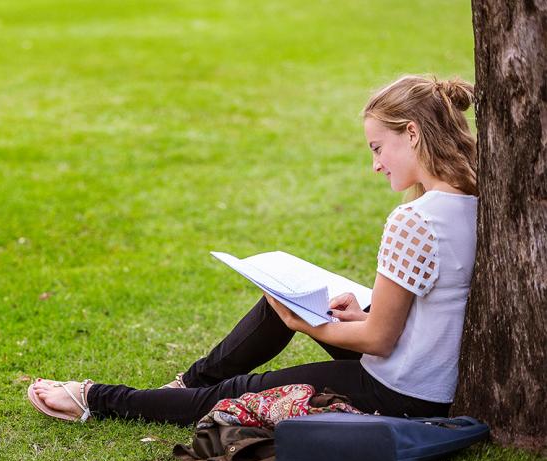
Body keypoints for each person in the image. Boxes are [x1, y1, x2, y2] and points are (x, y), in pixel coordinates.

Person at [29, 75, 479, 426]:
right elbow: (428, 311)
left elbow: (378, 340)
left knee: (246, 387)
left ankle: (96, 398)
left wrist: (304, 324)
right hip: (429, 382)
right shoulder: (475, 201)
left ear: (414, 133)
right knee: (280, 304)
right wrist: (357, 315)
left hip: (399, 393)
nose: (375, 164)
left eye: (378, 148)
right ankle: (186, 383)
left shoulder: (414, 219)